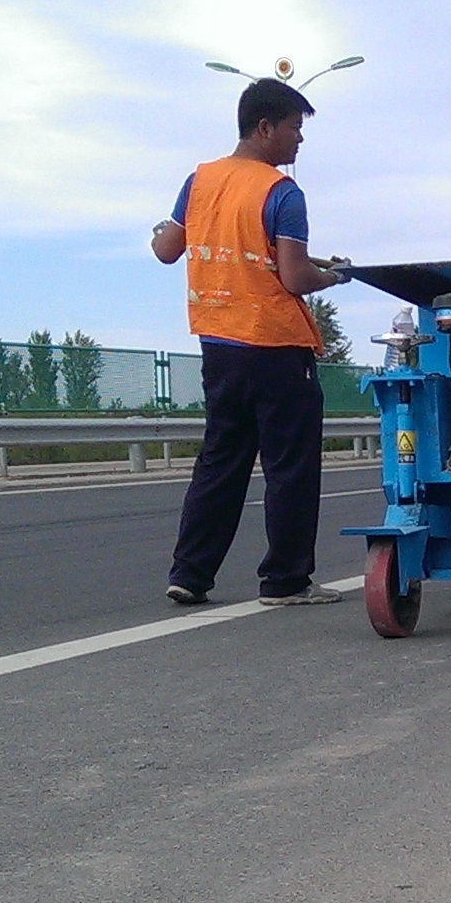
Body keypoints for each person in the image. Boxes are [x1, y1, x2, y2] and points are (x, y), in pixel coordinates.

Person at [151, 77, 343, 606]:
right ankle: (284, 581)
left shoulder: (200, 181)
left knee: (221, 462)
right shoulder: (282, 192)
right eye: (294, 128)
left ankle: (190, 574)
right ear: (265, 128)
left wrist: (154, 230)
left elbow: (168, 249)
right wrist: (333, 277)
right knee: (290, 467)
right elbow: (295, 277)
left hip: (220, 346)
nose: (299, 141)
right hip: (278, 347)